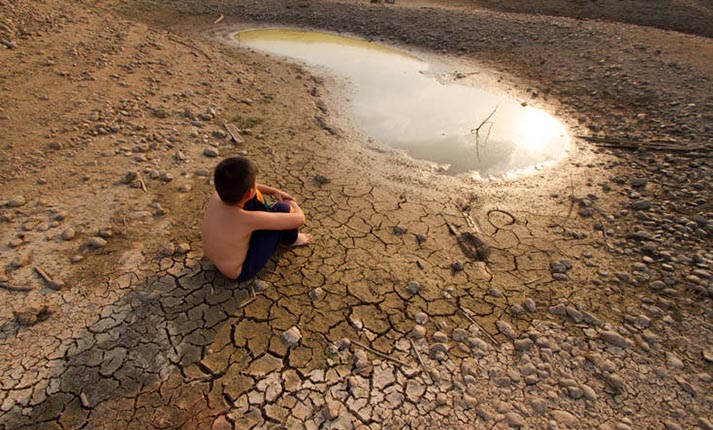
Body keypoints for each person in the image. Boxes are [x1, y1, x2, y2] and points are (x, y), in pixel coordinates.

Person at [201, 157, 312, 281]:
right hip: (240, 271)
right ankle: (290, 240)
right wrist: (292, 203)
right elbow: (299, 219)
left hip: (215, 257)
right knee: (283, 208)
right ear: (249, 192)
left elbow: (252, 188)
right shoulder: (247, 219)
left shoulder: (217, 195)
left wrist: (274, 191)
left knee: (254, 196)